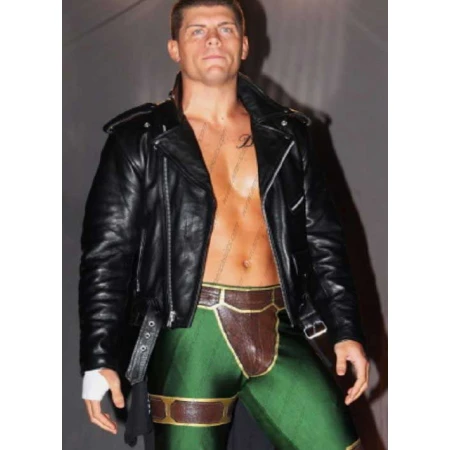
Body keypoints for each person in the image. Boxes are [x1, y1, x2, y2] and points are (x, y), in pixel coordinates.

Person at [78, 1, 369, 449]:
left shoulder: (287, 136)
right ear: (174, 48)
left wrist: (346, 330)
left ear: (244, 44)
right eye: (197, 30)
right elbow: (107, 255)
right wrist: (99, 356)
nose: (213, 38)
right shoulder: (140, 140)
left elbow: (322, 239)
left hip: (277, 328)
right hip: (190, 335)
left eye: (225, 28)